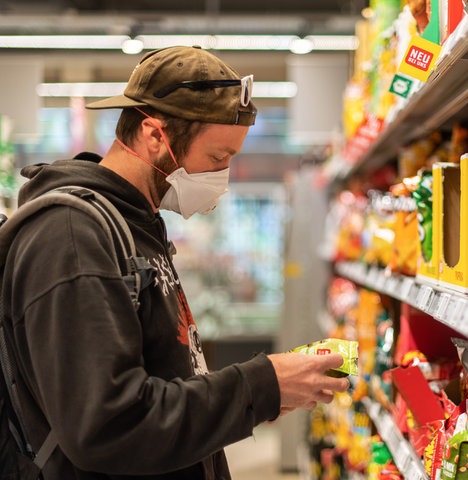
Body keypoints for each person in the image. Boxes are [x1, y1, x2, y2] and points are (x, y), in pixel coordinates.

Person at [5, 46, 350, 479]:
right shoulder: (72, 235)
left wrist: (255, 398)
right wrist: (260, 384)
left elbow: (160, 378)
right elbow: (107, 425)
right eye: (217, 158)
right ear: (154, 135)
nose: (221, 179)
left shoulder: (138, 224)